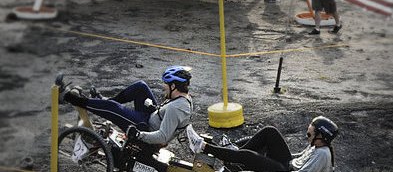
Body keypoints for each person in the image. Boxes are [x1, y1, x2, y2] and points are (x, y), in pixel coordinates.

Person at [59, 65, 193, 146]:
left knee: (112, 108)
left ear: (174, 86)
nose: (164, 87)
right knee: (140, 87)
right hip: (151, 117)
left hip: (145, 128)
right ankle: (105, 101)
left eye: (166, 84)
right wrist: (157, 109)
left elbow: (162, 137)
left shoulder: (177, 108)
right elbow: (168, 117)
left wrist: (138, 135)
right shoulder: (183, 98)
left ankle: (68, 97)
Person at [187, 116, 338, 172]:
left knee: (248, 156)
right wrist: (272, 152)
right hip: (289, 164)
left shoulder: (322, 154)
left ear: (320, 136)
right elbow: (299, 158)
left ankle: (202, 146)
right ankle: (233, 156)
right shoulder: (317, 145)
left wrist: (267, 162)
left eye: (309, 134)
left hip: (287, 170)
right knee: (269, 132)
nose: (307, 136)